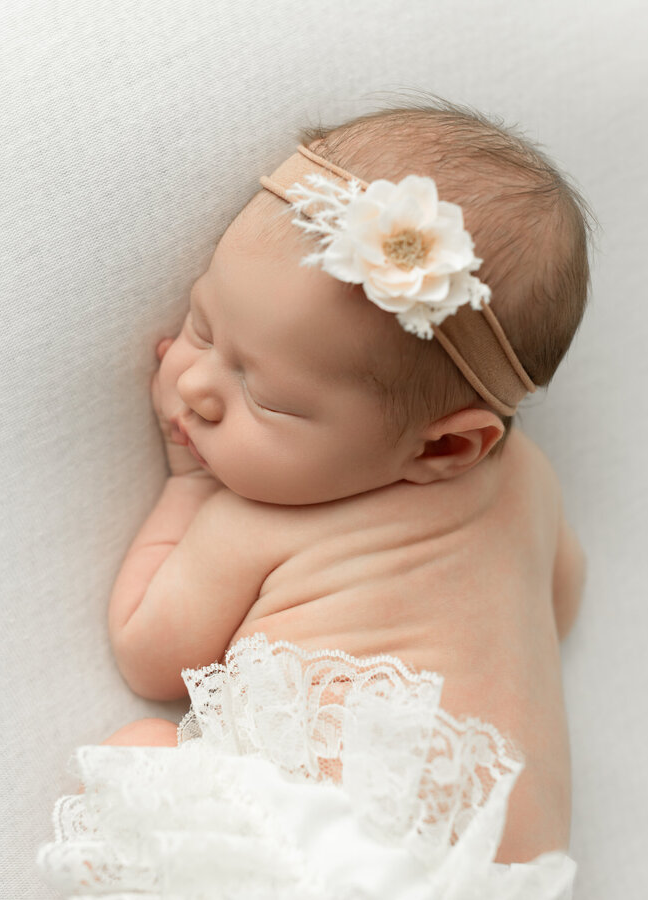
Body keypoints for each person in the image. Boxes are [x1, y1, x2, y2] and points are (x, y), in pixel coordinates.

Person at [39, 99, 592, 899]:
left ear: (442, 447)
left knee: (142, 748)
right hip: (492, 879)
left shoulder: (260, 517)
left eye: (267, 401)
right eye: (201, 326)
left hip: (316, 868)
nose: (195, 388)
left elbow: (148, 653)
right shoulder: (531, 483)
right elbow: (562, 607)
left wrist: (189, 486)